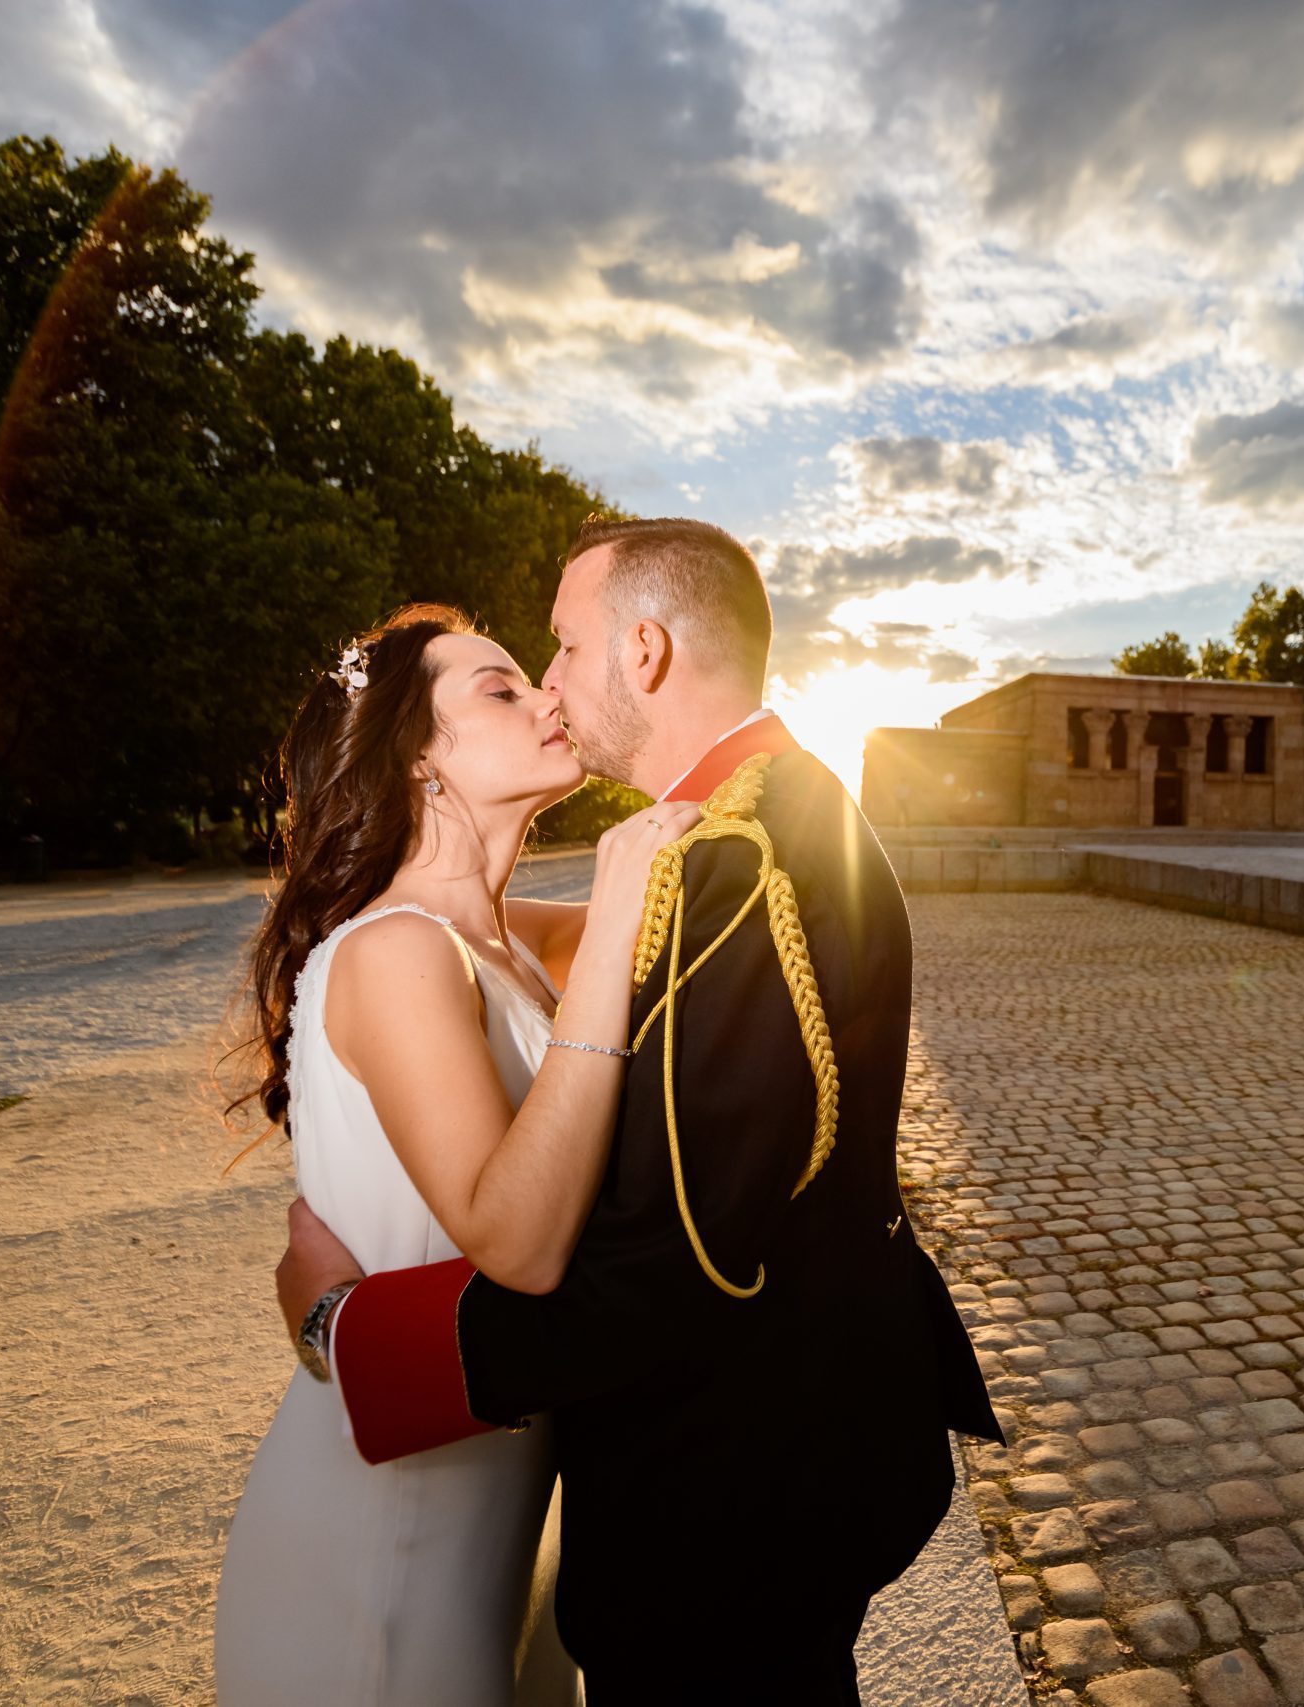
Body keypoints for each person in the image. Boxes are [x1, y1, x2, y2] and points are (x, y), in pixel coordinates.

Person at [271, 518, 1002, 1703]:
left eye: (558, 649)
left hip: (731, 1492)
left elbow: (677, 1255)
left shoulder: (735, 860)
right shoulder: (741, 831)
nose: (553, 687)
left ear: (646, 652)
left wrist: (351, 1340)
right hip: (770, 1458)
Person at [215, 601, 699, 1704]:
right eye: (501, 689)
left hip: (507, 1531)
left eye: (542, 674)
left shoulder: (499, 935)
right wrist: (618, 903)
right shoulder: (393, 950)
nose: (548, 698)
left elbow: (701, 884)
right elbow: (517, 1243)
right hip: (381, 1546)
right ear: (418, 759)